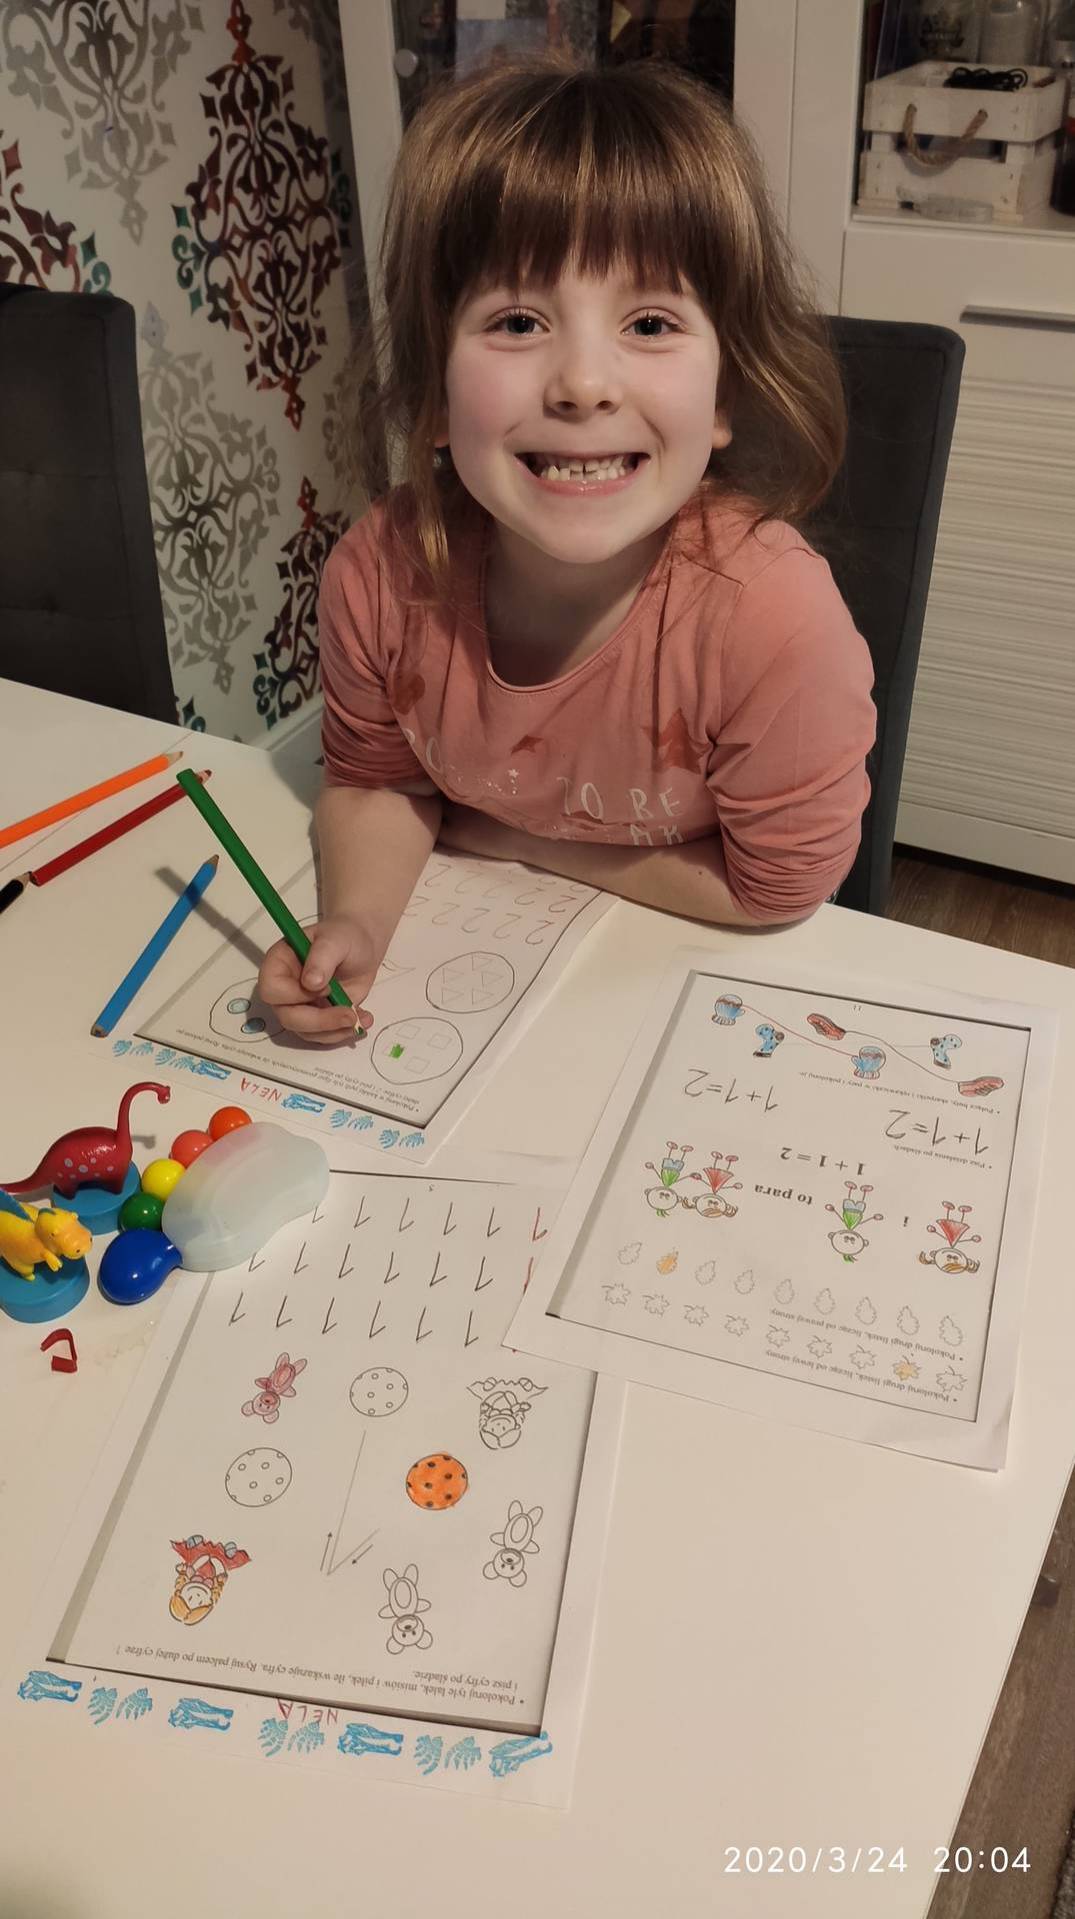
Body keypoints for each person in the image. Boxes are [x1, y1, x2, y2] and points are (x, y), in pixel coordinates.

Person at [258, 51, 876, 1045]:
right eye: (516, 320)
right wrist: (359, 922)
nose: (583, 383)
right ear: (433, 396)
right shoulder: (376, 576)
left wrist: (516, 839)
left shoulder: (775, 620)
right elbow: (377, 779)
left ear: (723, 394)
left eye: (649, 322)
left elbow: (772, 888)